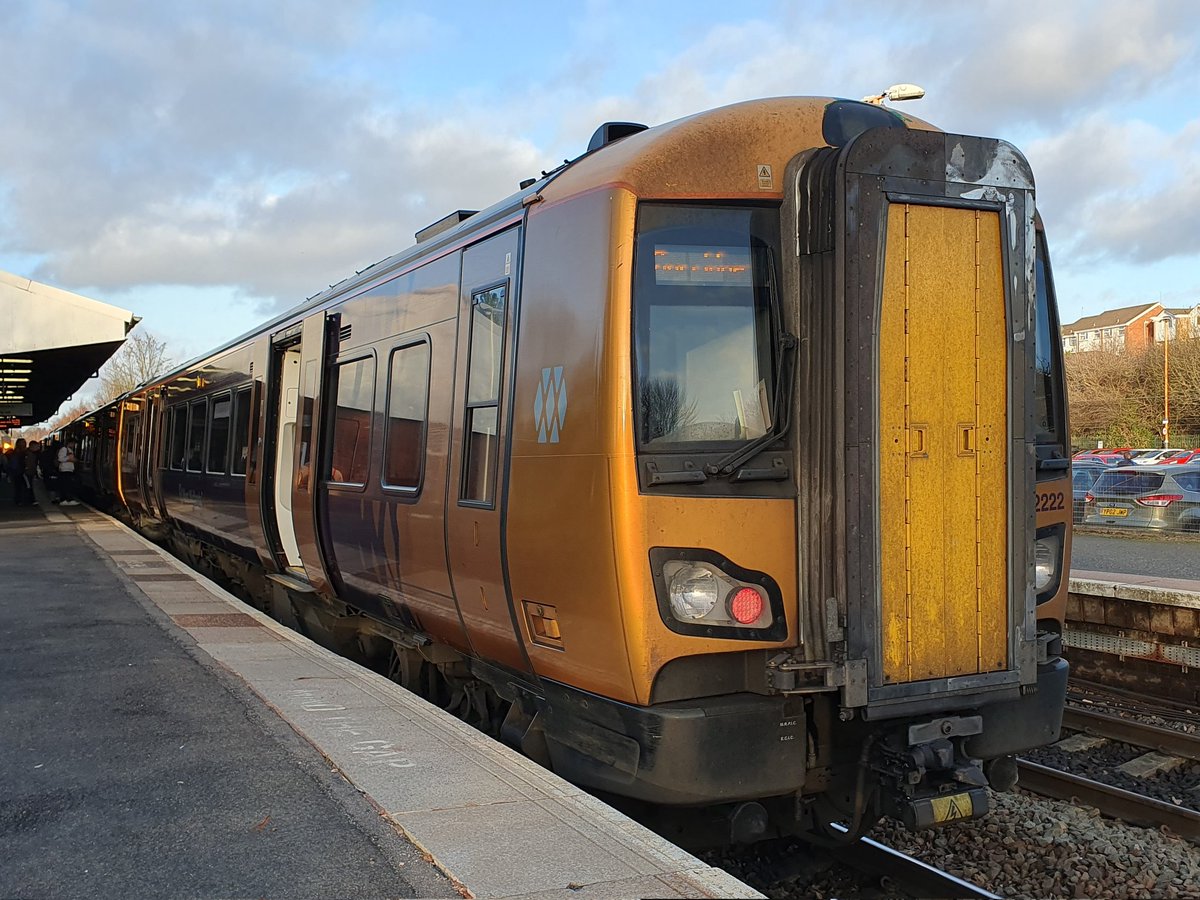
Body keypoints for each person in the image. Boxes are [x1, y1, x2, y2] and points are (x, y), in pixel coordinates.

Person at [57, 440, 79, 506]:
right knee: (66, 485)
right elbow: (60, 459)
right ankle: (64, 500)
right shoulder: (64, 449)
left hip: (69, 469)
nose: (74, 445)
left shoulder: (69, 450)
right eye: (73, 443)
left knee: (68, 485)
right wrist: (69, 459)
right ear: (70, 443)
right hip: (65, 469)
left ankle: (67, 499)